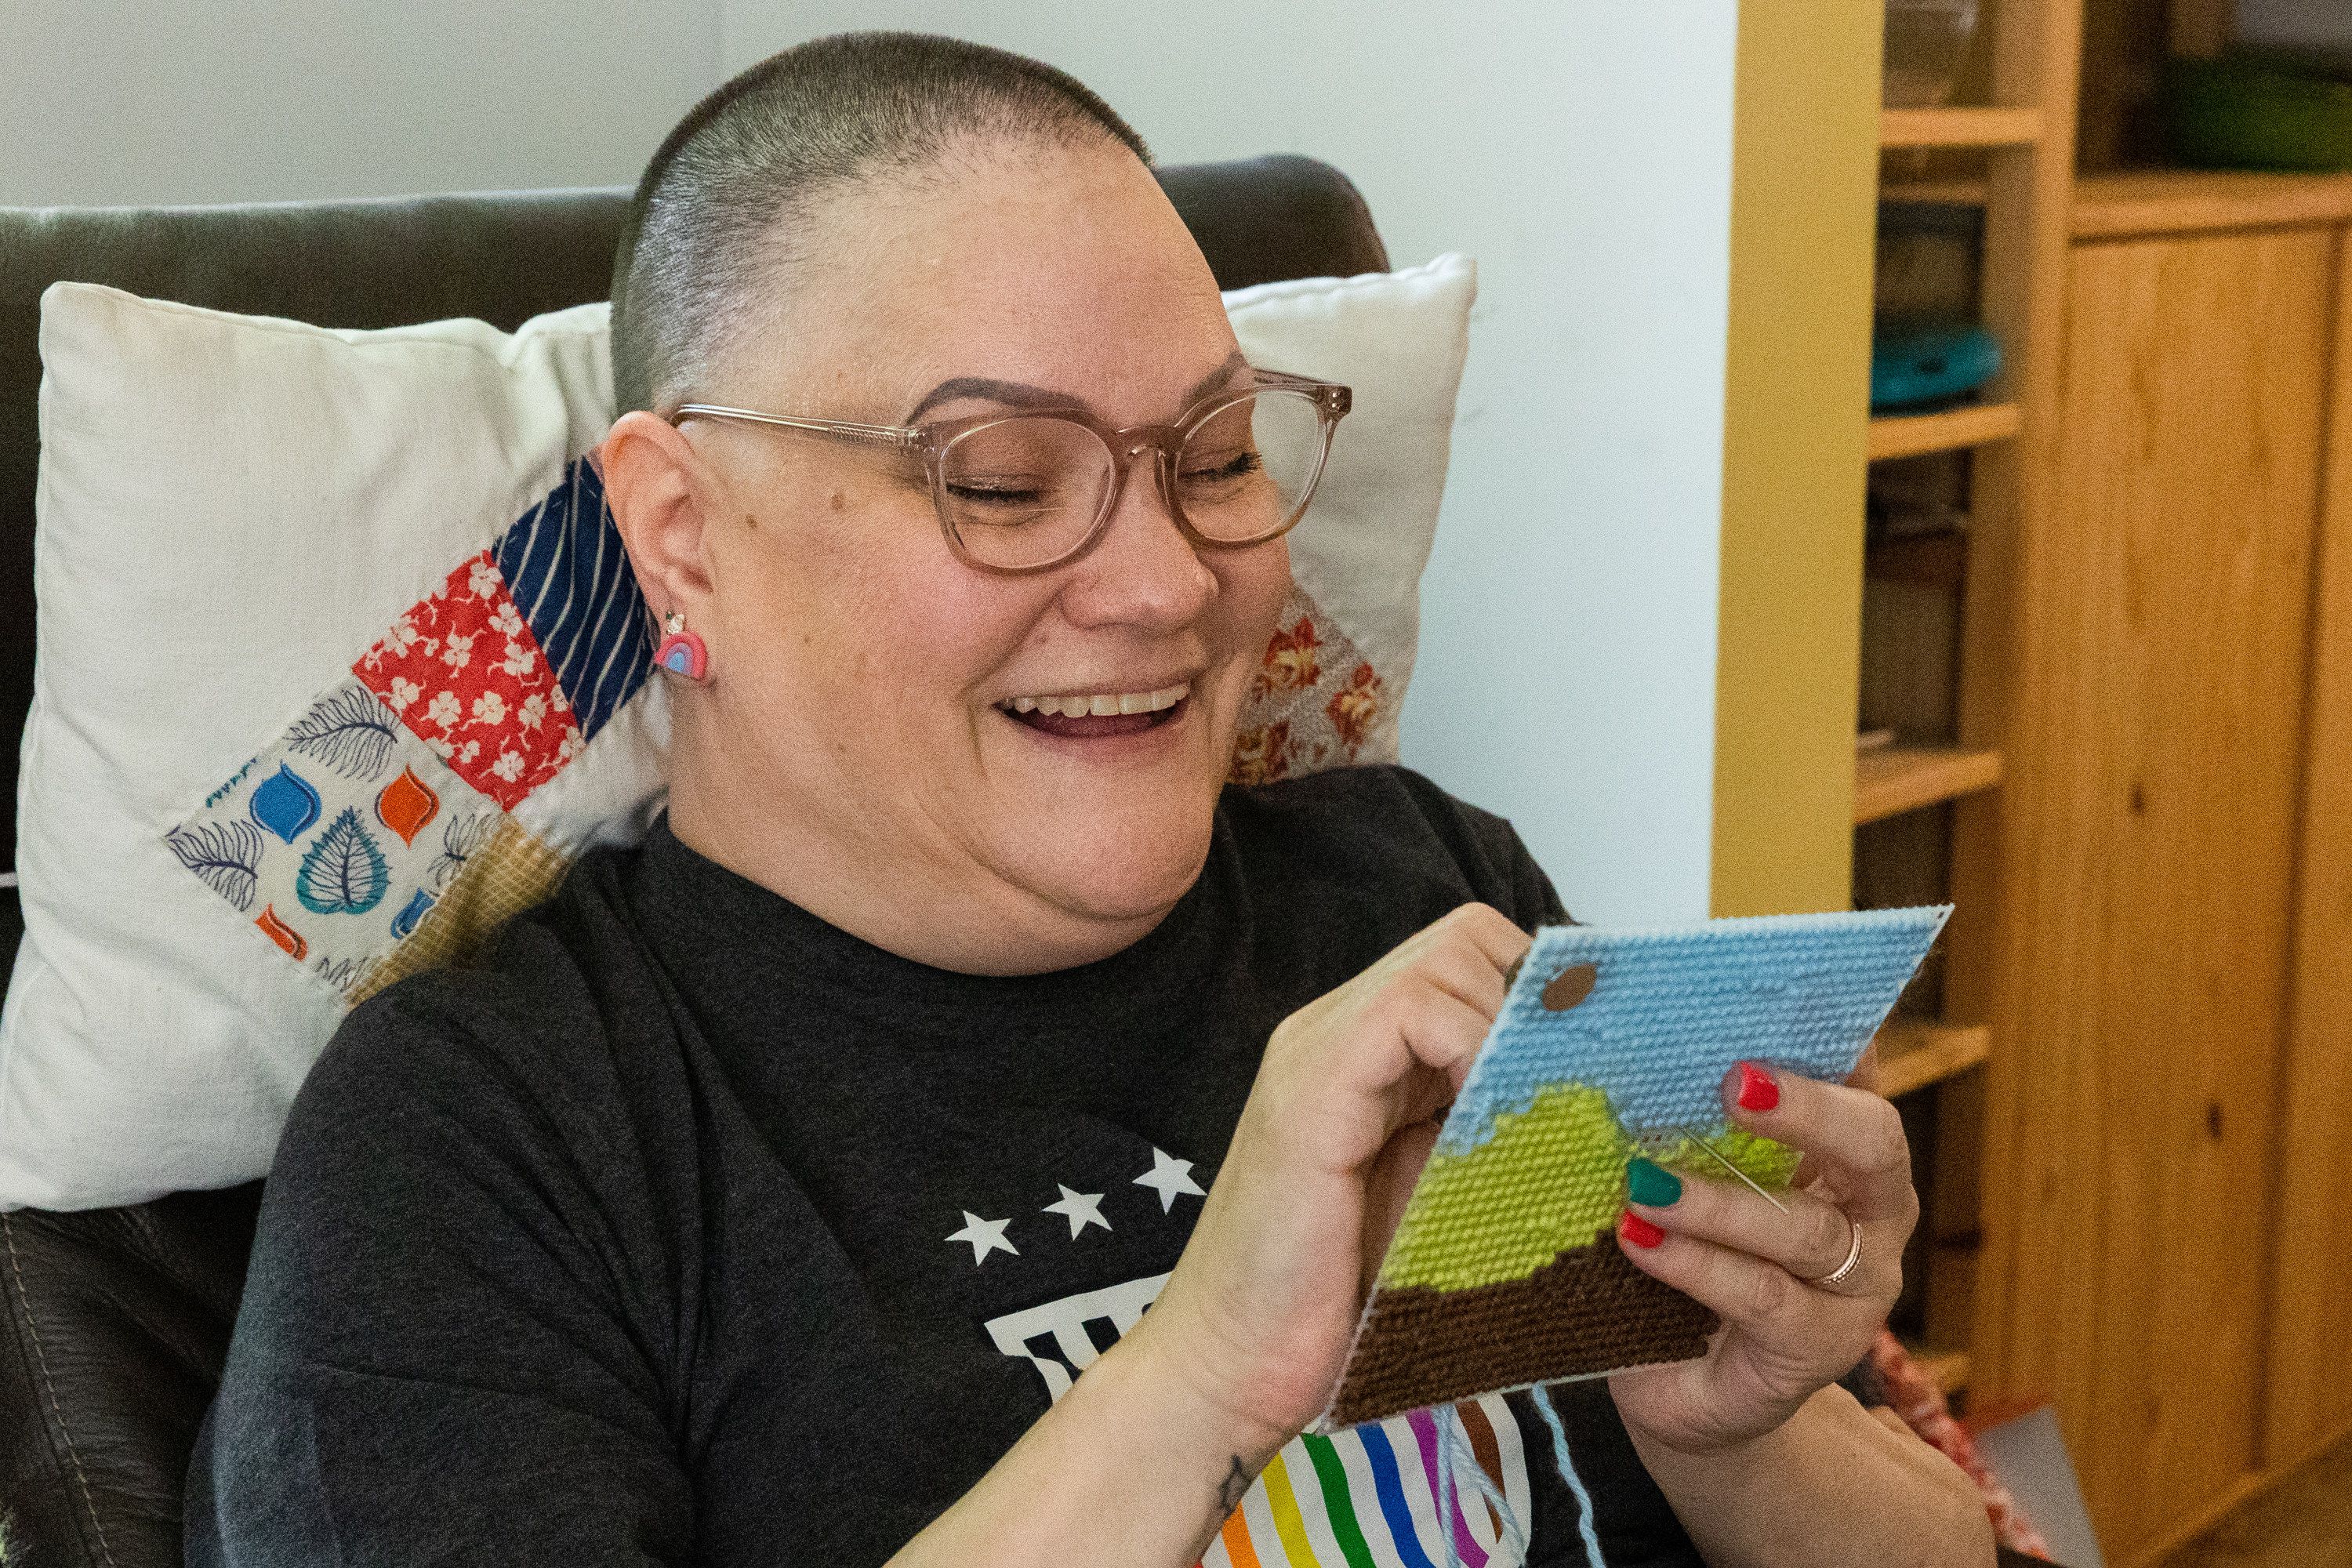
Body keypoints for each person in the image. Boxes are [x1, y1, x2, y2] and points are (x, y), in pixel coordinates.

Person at [187, 32, 1994, 1568]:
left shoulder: (1420, 890)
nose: (1167, 582)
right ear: (682, 540)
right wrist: (1200, 1367)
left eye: (1214, 456)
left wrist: (1737, 1437)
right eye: (1003, 479)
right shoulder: (490, 1140)